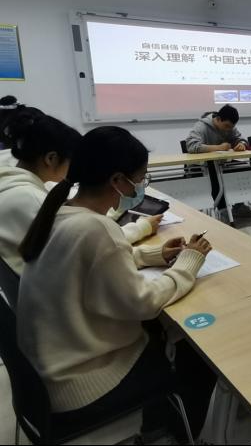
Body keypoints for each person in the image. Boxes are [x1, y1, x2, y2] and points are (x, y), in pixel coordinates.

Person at [17, 126, 216, 443]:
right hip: (82, 382)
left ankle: (158, 425)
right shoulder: (96, 228)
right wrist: (189, 263)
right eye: (140, 179)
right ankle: (176, 434)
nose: (141, 187)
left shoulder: (61, 212)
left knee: (166, 335)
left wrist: (155, 255)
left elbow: (92, 265)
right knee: (198, 355)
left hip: (47, 374)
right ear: (118, 181)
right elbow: (144, 303)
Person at [0, 112, 162, 276]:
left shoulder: (11, 179)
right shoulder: (31, 199)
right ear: (51, 158)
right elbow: (91, 245)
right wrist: (141, 228)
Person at [185, 105, 251, 218]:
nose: (228, 130)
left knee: (244, 168)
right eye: (226, 126)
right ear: (218, 119)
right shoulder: (201, 126)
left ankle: (239, 206)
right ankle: (223, 210)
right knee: (216, 176)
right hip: (201, 166)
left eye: (231, 127)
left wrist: (241, 144)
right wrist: (219, 148)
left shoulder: (230, 126)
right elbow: (191, 146)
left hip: (221, 163)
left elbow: (240, 138)